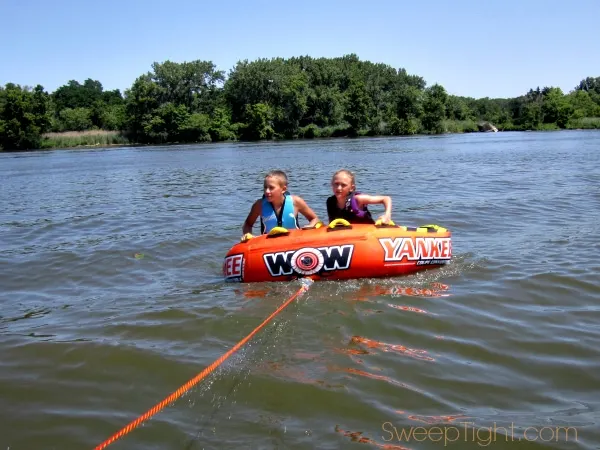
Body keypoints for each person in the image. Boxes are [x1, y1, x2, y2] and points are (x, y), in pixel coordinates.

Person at [242, 170, 320, 238]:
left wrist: (310, 226)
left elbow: (314, 218)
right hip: (269, 245)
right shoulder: (259, 205)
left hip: (293, 242)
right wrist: (248, 235)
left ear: (283, 189)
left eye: (271, 188)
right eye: (265, 187)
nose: (267, 191)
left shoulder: (296, 202)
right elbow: (248, 224)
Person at [326, 169, 393, 225]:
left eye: (343, 185)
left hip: (366, 235)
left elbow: (386, 199)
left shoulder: (358, 199)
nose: (338, 188)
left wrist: (387, 215)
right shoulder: (330, 202)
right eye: (336, 184)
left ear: (351, 188)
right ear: (331, 184)